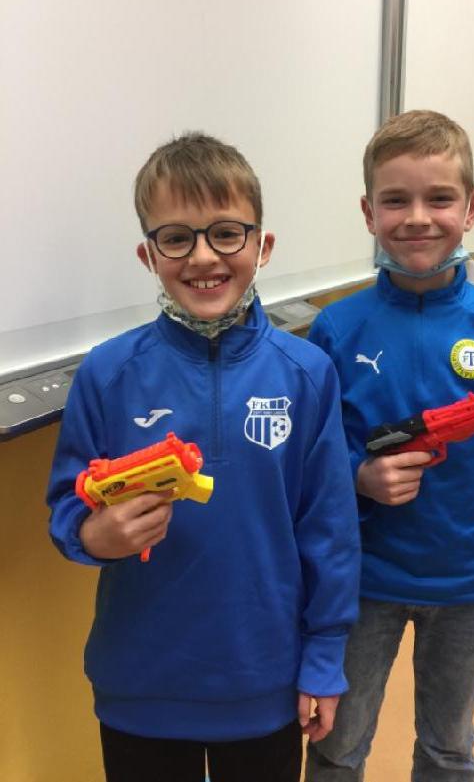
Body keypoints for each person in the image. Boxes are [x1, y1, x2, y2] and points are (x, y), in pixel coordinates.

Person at [47, 132, 361, 782]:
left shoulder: (307, 374)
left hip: (266, 683)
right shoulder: (106, 373)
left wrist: (324, 658)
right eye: (175, 238)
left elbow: (329, 530)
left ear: (262, 245)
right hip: (141, 686)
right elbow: (66, 507)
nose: (203, 256)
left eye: (226, 233)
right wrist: (94, 535)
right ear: (148, 254)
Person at [305, 110, 474, 781]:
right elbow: (310, 463)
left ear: (470, 208)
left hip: (467, 585)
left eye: (439, 198)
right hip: (359, 583)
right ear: (368, 212)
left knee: (448, 749)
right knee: (335, 749)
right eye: (395, 200)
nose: (417, 218)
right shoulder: (334, 331)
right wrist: (359, 474)